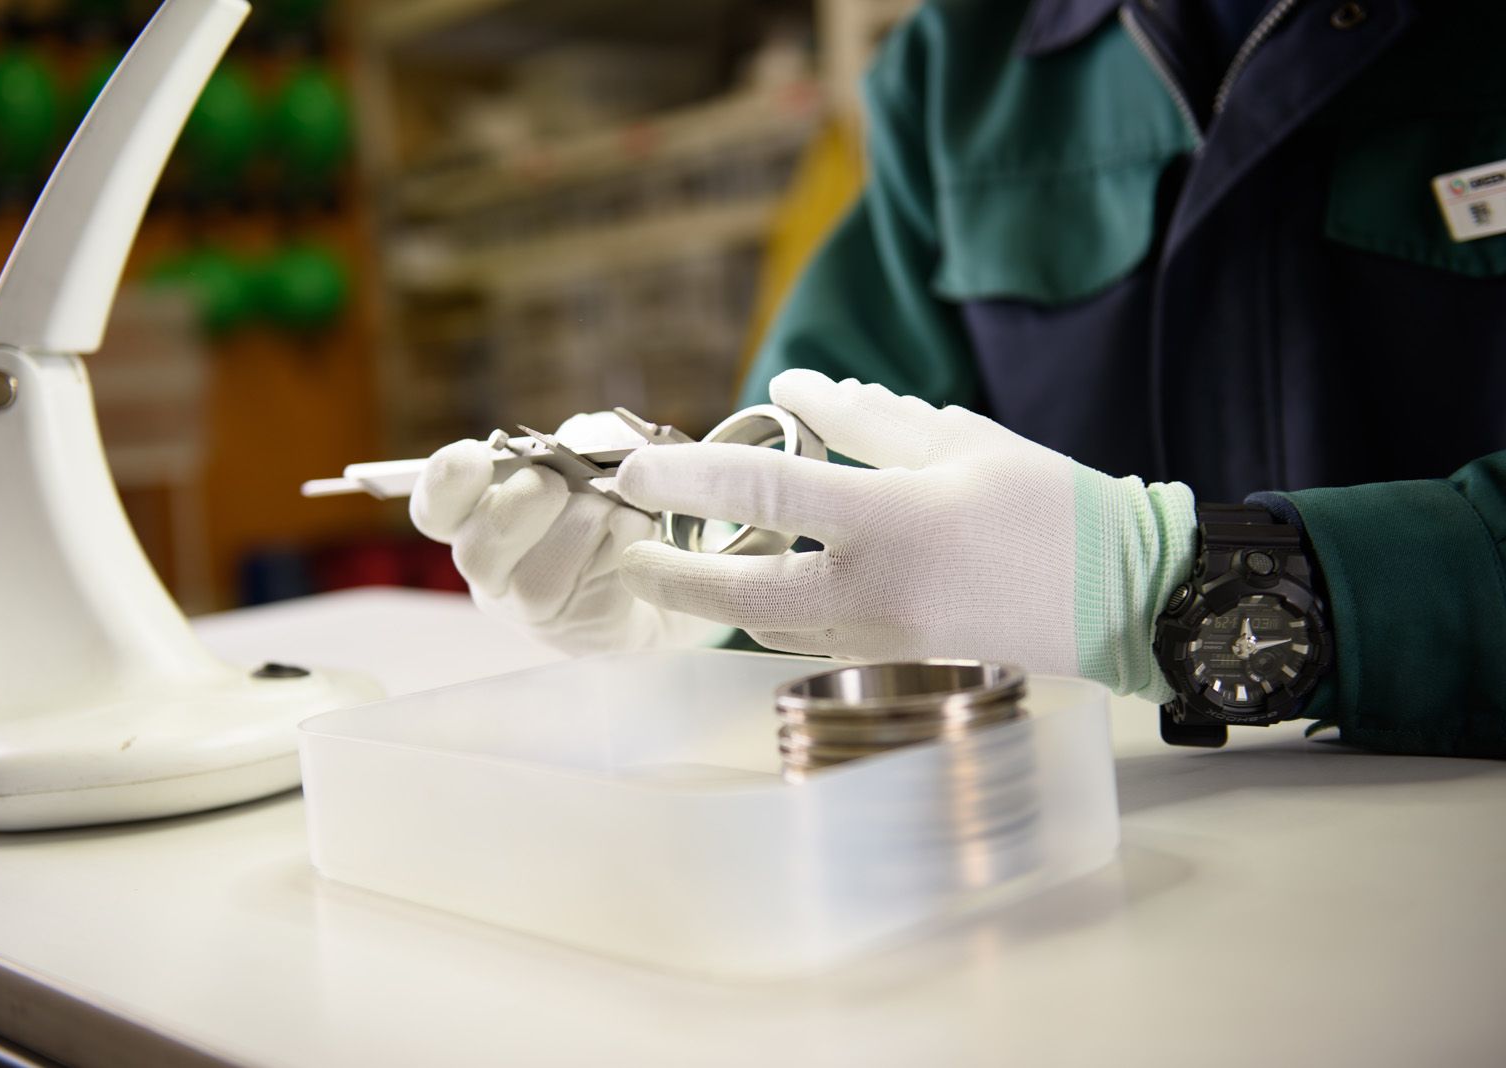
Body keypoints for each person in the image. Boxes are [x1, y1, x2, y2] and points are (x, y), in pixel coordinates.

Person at [410, 0, 1506, 760]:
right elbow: (814, 462)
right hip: (1108, 834)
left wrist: (1171, 585)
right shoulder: (963, 64)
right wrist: (693, 600)